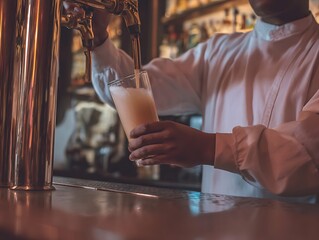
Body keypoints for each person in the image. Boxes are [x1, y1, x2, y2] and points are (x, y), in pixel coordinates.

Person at [65, 0, 319, 202]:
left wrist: (207, 147)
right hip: (216, 229)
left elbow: (307, 153)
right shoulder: (219, 52)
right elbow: (131, 88)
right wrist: (98, 38)